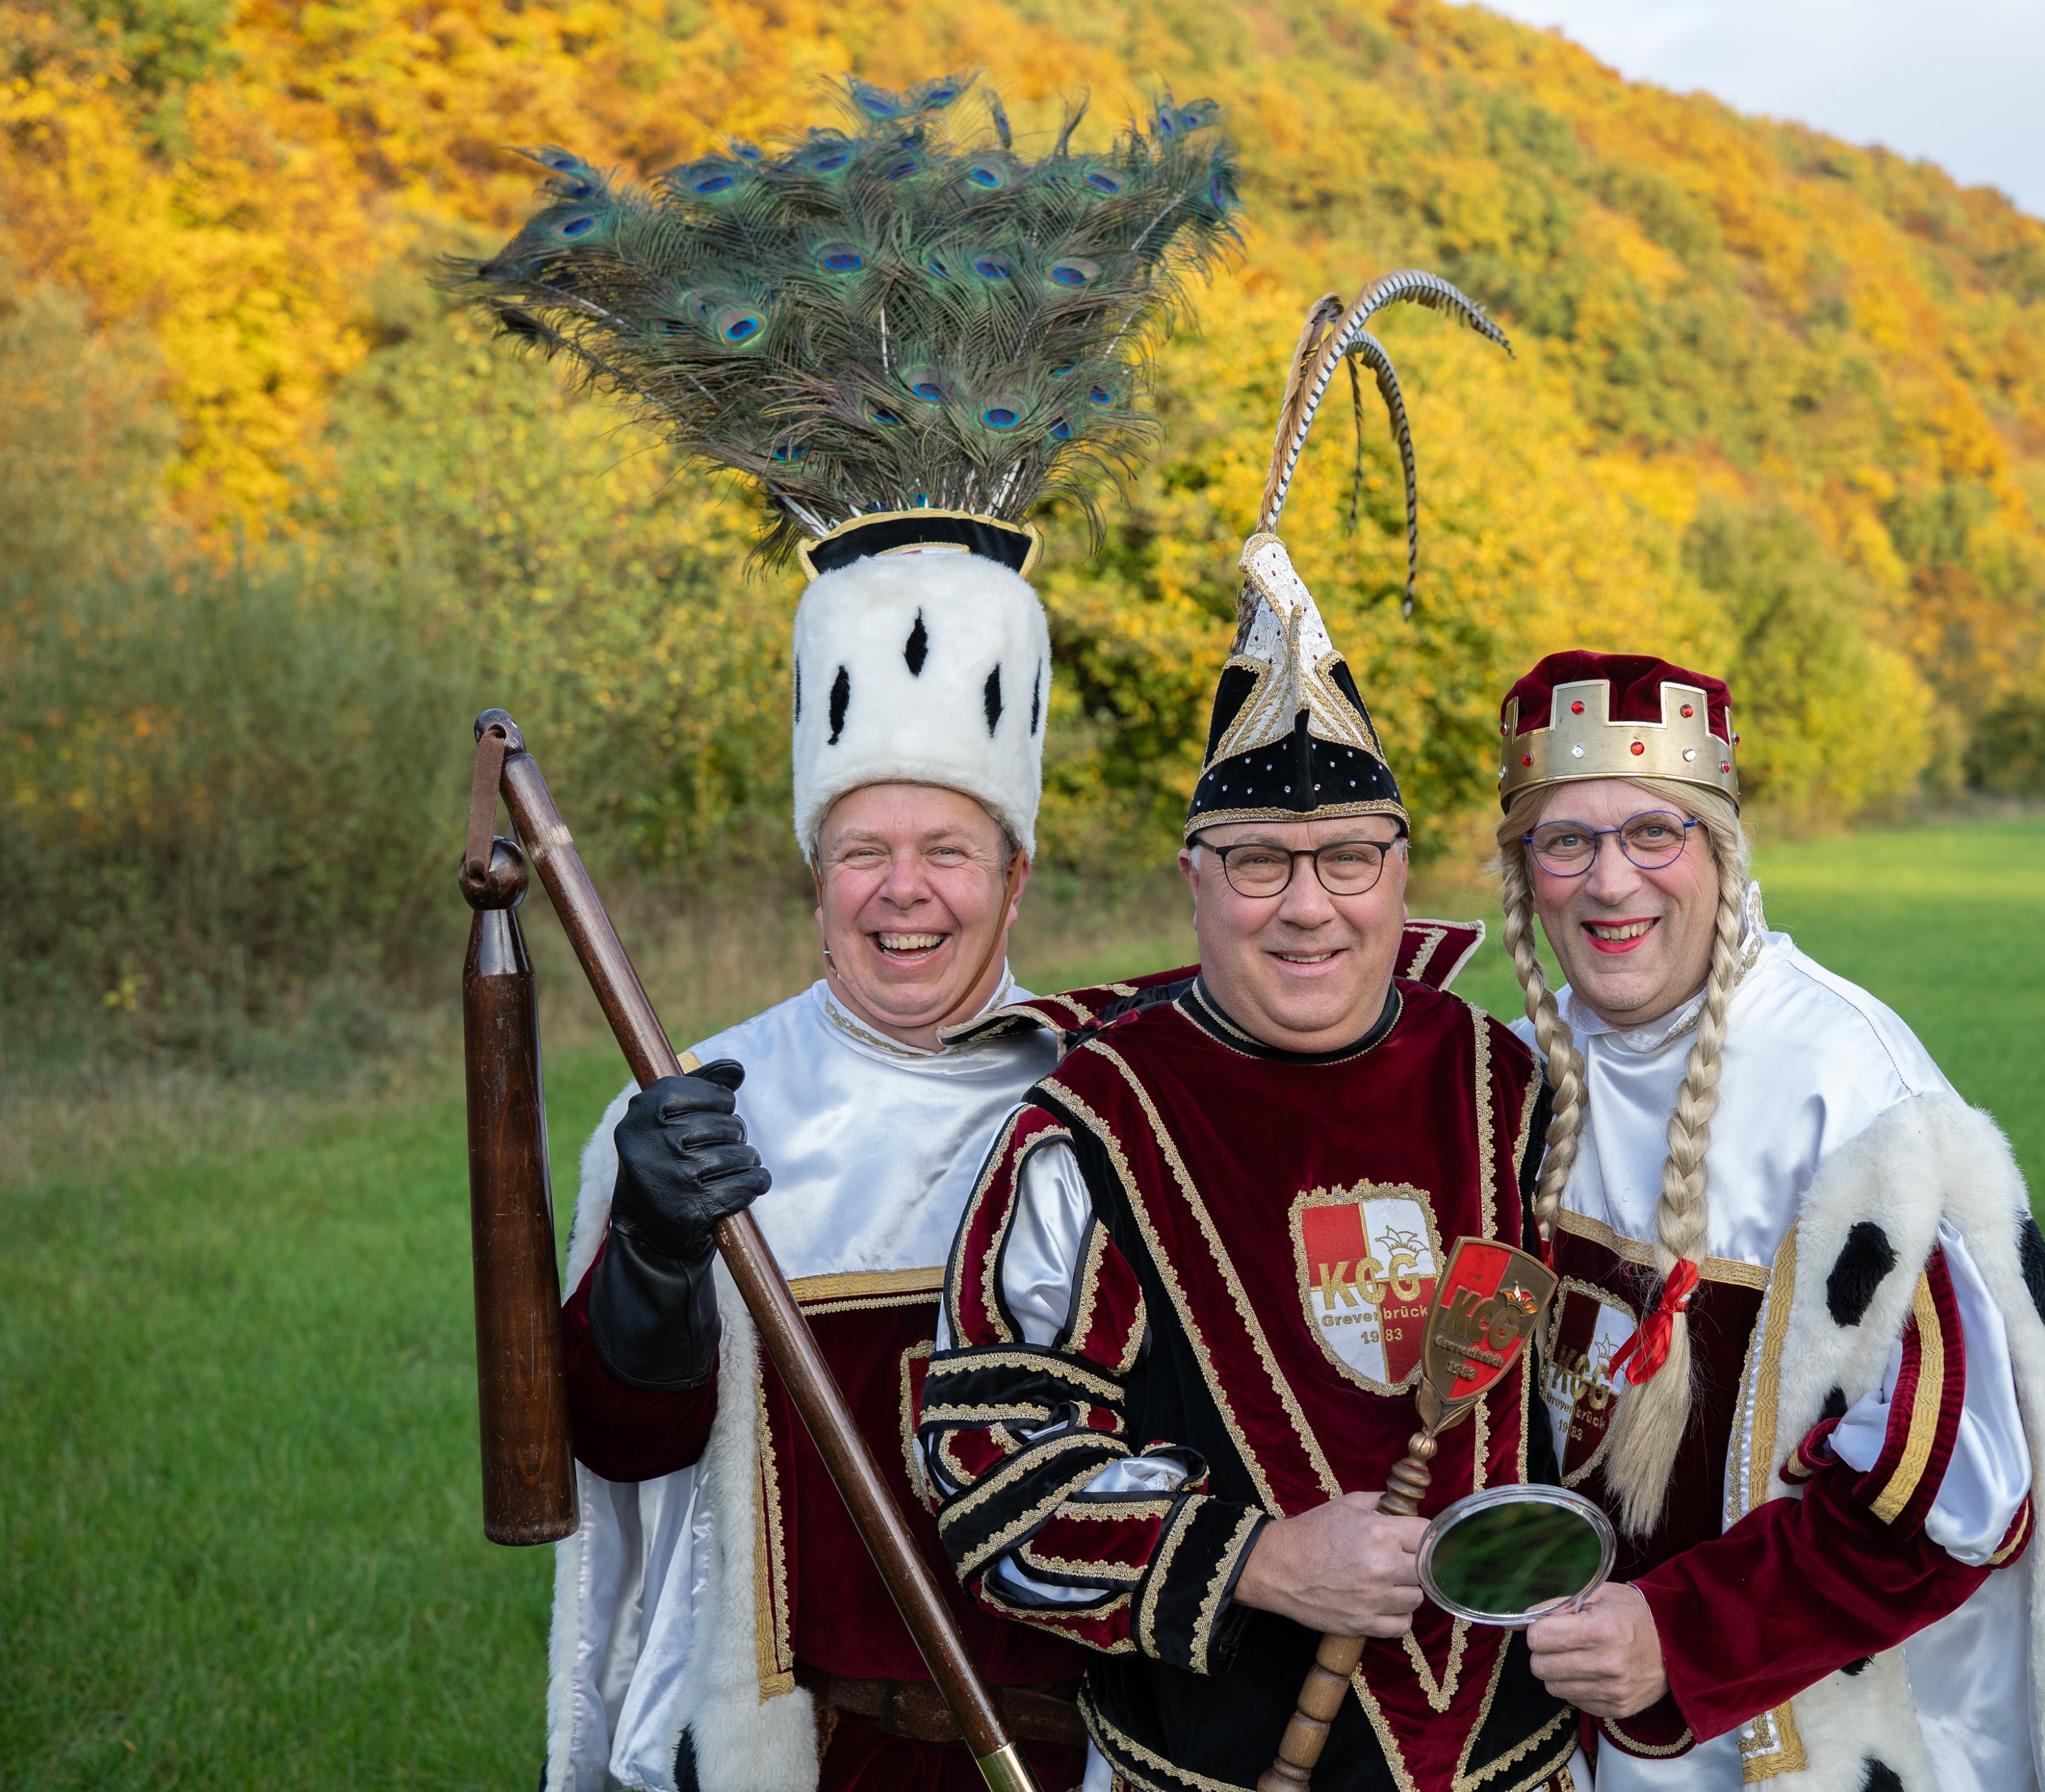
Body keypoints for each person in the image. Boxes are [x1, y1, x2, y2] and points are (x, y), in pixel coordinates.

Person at [454, 74, 1250, 1792]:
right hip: (791, 1753)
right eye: (862, 852)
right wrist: (656, 1254)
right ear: (811, 877)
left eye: (947, 851)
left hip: (1082, 1751)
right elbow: (622, 1447)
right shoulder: (695, 1103)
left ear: (1015, 879)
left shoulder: (1121, 1101)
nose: (904, 890)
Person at [920, 527, 1579, 1792]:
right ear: (1195, 880)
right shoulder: (1093, 1123)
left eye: (1349, 858)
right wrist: (1260, 1561)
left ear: (1399, 873)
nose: (1308, 904)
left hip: (1520, 1764)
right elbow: (988, 1471)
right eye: (1259, 861)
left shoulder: (1503, 1080)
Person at [1491, 652, 2045, 1792]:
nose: (1610, 882)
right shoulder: (1530, 1072)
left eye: (1654, 832)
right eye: (1566, 841)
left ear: (1722, 849)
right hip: (1580, 1718)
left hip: (1800, 1736)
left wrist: (1678, 1636)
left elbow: (1956, 1496)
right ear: (1524, 871)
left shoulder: (1851, 1092)